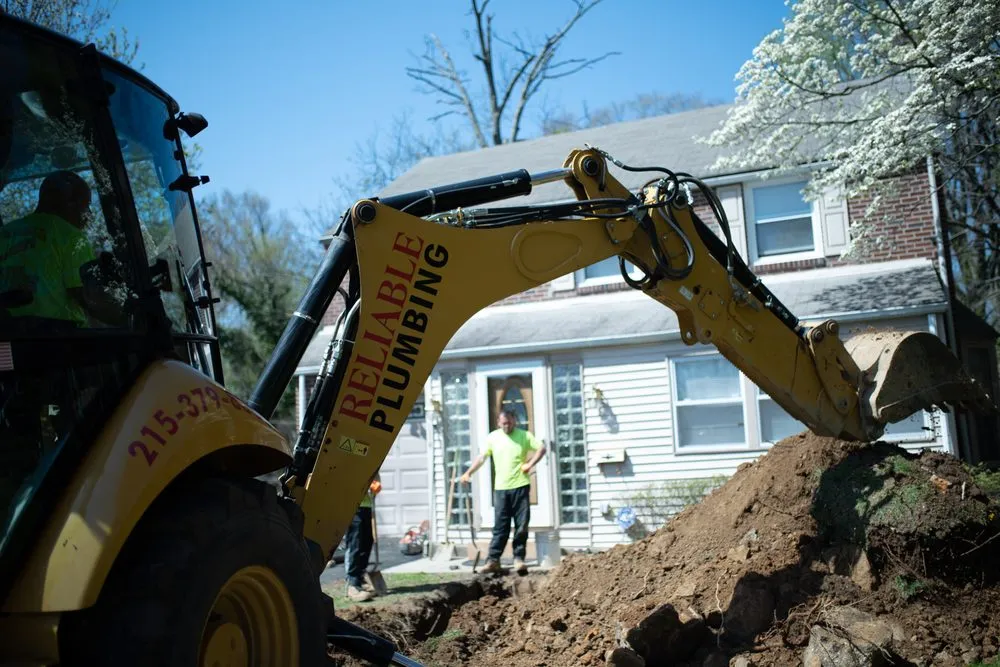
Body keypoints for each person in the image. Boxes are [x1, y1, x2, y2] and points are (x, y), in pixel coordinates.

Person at [0, 170, 118, 328]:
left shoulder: (5, 233)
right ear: (70, 203)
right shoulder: (70, 236)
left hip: (10, 337)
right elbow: (88, 298)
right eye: (87, 205)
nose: (88, 214)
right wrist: (127, 318)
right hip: (59, 340)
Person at [460, 410, 546, 575]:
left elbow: (542, 448)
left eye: (510, 423)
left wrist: (530, 464)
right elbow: (482, 458)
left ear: (514, 421)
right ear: (499, 423)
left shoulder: (524, 436)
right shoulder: (493, 437)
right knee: (501, 527)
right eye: (504, 423)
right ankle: (493, 560)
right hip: (501, 489)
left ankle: (519, 559)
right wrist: (468, 472)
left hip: (520, 486)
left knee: (521, 525)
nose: (507, 426)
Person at [343, 472, 381, 602]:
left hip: (367, 506)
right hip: (353, 505)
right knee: (355, 544)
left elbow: (376, 475)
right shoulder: (351, 458)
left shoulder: (373, 457)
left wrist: (376, 483)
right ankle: (352, 584)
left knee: (367, 542)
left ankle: (360, 578)